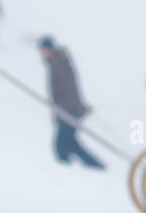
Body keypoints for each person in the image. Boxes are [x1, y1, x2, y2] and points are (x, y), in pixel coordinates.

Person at [38, 37, 104, 170]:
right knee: (69, 142)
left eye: (43, 50)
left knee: (62, 143)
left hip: (69, 111)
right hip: (66, 111)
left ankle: (70, 168)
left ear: (49, 49)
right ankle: (94, 166)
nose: (42, 53)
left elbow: (68, 89)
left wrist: (64, 112)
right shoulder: (56, 62)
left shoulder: (59, 63)